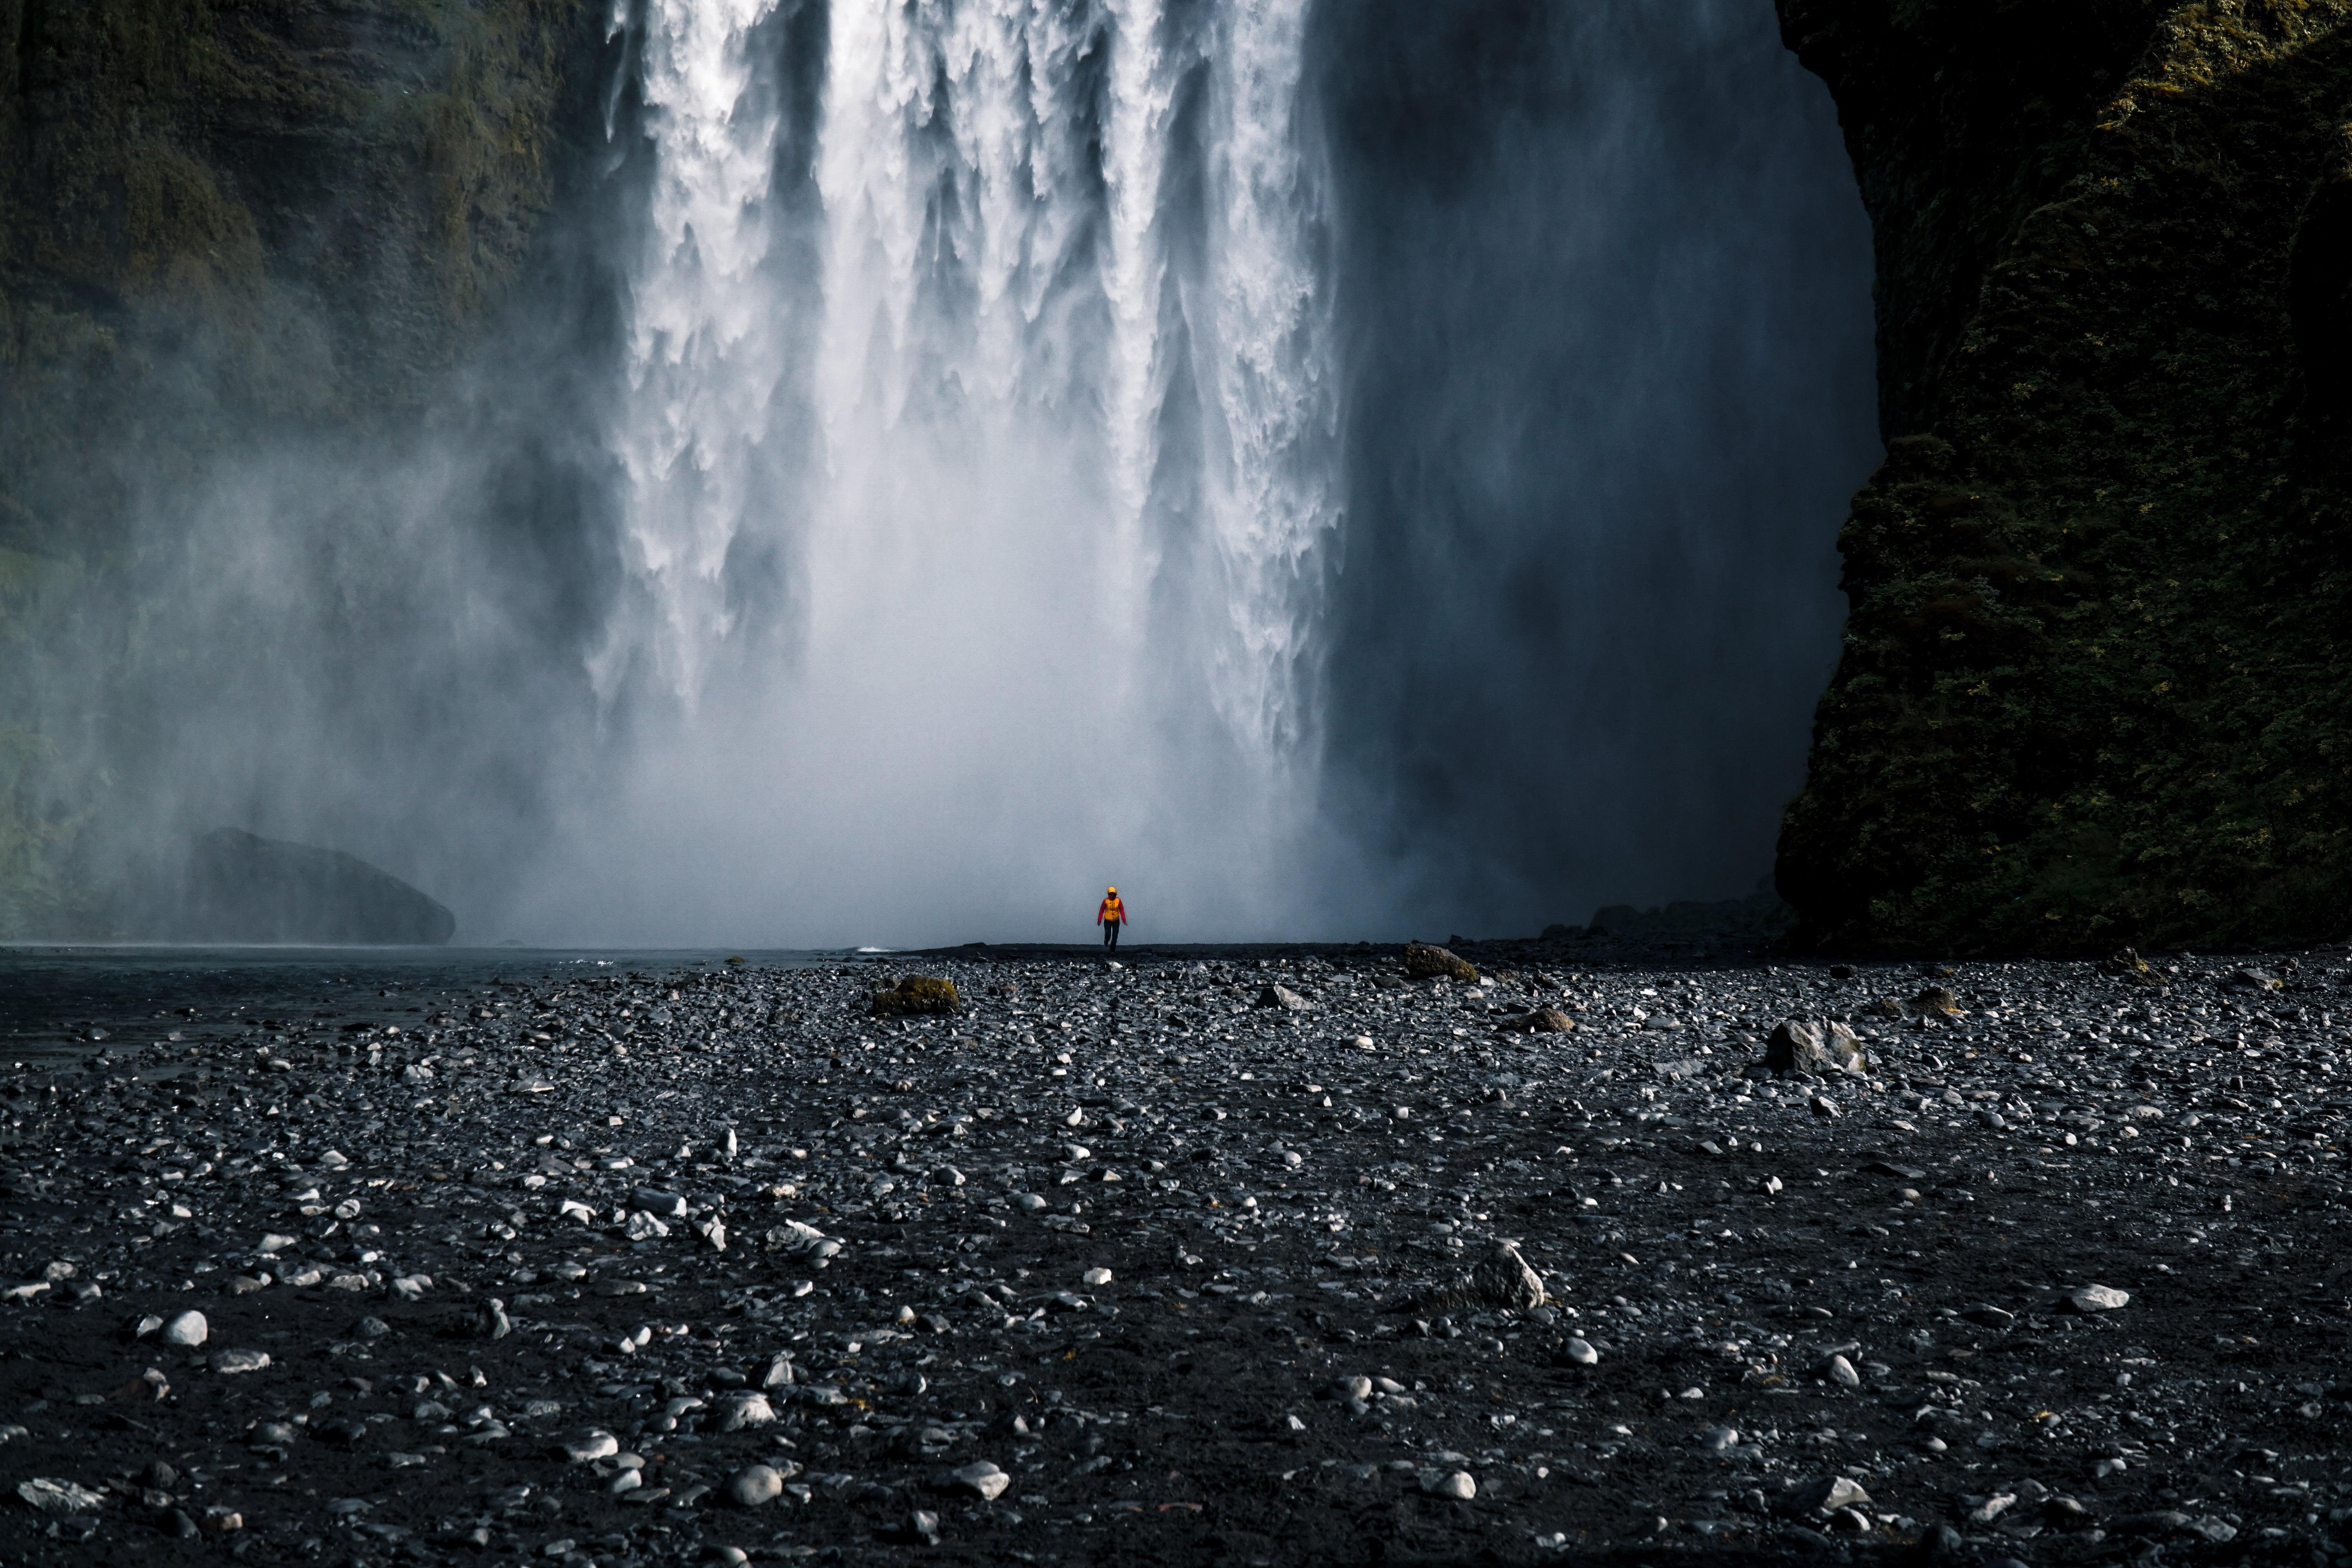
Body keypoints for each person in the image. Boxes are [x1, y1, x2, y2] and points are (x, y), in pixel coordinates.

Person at [1096, 886, 1127, 951]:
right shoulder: (1106, 901)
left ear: (1115, 894)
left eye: (1113, 894)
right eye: (1111, 894)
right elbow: (1102, 910)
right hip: (1108, 921)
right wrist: (1099, 920)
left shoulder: (1118, 901)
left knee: (1115, 936)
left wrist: (1124, 920)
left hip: (1116, 920)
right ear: (1109, 894)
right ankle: (1106, 941)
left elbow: (1122, 910)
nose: (1112, 895)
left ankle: (1112, 950)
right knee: (1108, 934)